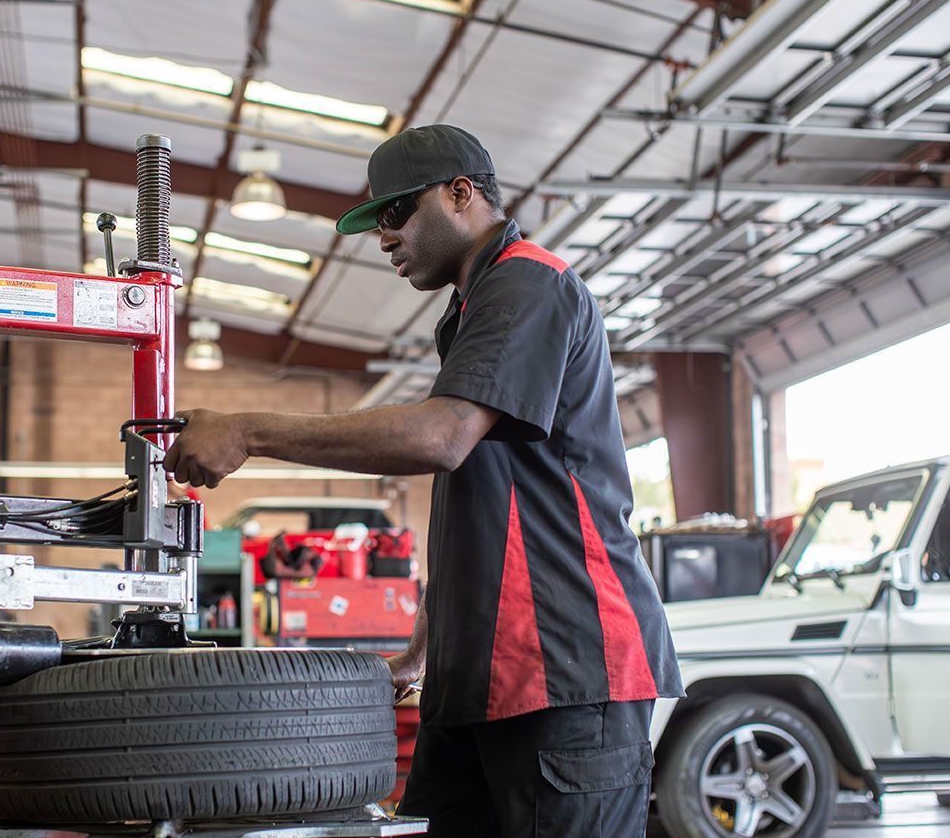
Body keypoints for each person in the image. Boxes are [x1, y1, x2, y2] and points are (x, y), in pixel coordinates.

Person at [163, 124, 683, 837]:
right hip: (479, 680)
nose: (384, 237)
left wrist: (249, 430)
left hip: (568, 672)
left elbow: (441, 439)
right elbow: (485, 510)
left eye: (396, 213)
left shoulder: (528, 283)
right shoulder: (471, 314)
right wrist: (424, 649)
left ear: (461, 194)